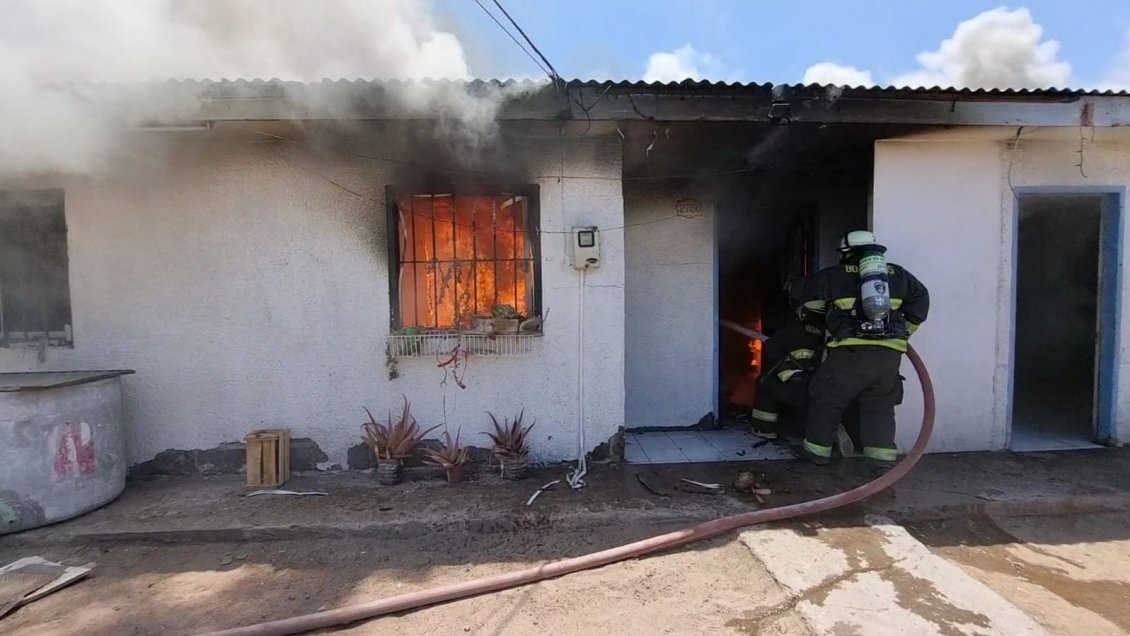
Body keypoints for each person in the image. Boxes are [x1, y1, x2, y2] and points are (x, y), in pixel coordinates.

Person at [800, 230, 930, 468]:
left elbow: (809, 303)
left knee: (827, 398)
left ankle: (817, 452)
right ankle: (880, 458)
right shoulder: (898, 275)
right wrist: (904, 332)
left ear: (847, 253)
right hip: (890, 353)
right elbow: (921, 301)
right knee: (880, 403)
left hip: (850, 351)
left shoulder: (833, 275)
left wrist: (832, 317)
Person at [750, 278, 824, 440]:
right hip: (820, 388)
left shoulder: (794, 329)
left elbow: (771, 350)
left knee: (765, 384)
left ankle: (764, 429)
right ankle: (823, 429)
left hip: (797, 387)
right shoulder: (825, 332)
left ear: (803, 311)